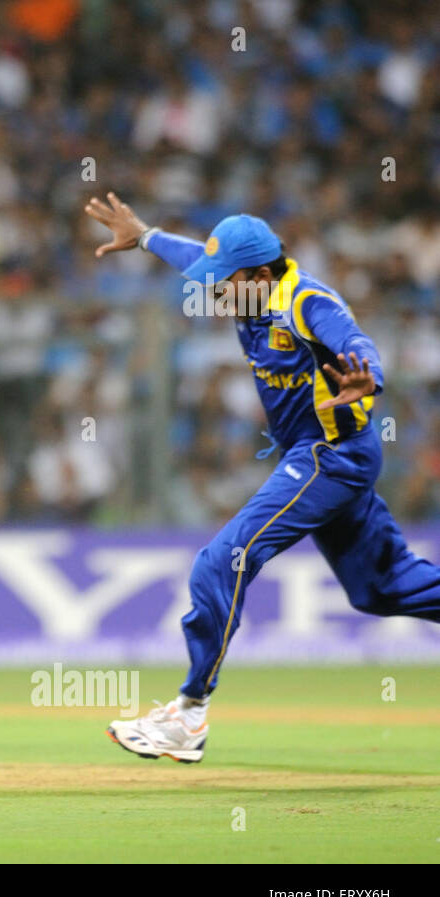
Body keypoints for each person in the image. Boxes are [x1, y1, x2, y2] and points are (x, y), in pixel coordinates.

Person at [85, 193, 440, 762]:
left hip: (329, 453)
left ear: (255, 273)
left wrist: (366, 376)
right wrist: (147, 235)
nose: (214, 290)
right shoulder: (248, 286)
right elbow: (194, 257)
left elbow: (355, 341)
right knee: (382, 588)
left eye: (223, 281)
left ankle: (190, 713)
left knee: (222, 558)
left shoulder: (306, 301)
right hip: (323, 454)